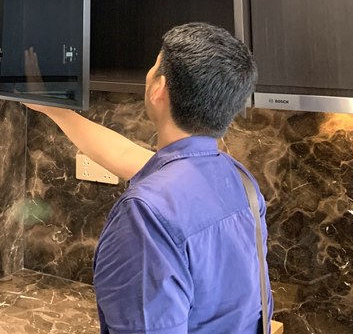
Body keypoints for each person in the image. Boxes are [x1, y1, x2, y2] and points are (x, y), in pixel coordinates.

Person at [26, 22, 273, 334]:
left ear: (159, 88)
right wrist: (56, 109)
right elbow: (126, 156)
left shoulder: (146, 216)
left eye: (155, 65)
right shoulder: (238, 179)